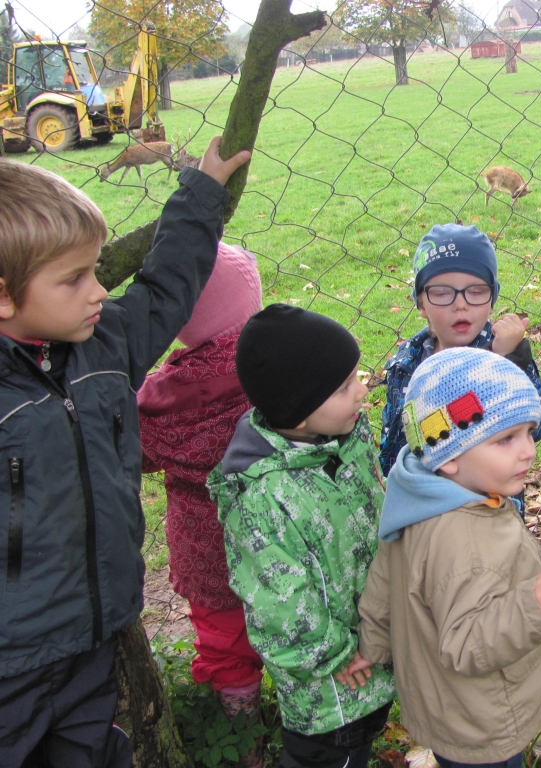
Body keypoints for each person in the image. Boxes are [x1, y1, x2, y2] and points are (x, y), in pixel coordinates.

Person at [0, 138, 249, 767]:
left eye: (95, 270)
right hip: (12, 657)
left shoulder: (103, 345)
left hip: (96, 634)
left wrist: (200, 195)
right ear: (4, 296)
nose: (98, 291)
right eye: (74, 279)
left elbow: (164, 289)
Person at [352, 347, 541, 768]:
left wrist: (373, 644)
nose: (529, 451)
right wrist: (533, 606)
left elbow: (384, 581)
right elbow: (467, 644)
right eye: (506, 439)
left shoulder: (416, 496)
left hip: (447, 707)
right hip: (484, 718)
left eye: (528, 432)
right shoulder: (464, 542)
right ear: (449, 456)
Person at [207, 305, 395, 768]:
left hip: (373, 652)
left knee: (362, 747)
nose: (363, 389)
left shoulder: (345, 439)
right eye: (344, 386)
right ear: (298, 409)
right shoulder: (262, 498)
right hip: (331, 687)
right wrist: (342, 655)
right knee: (330, 758)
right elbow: (280, 608)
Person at [137, 243, 264, 762]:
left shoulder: (168, 391)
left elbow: (140, 450)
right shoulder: (275, 357)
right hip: (278, 531)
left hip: (205, 540)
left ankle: (243, 738)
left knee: (223, 637)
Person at [379, 223, 541, 479]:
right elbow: (393, 437)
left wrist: (510, 359)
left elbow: (538, 426)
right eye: (442, 293)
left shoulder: (501, 354)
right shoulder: (406, 362)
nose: (460, 304)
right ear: (421, 303)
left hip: (485, 495)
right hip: (416, 494)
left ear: (492, 299)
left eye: (476, 291)